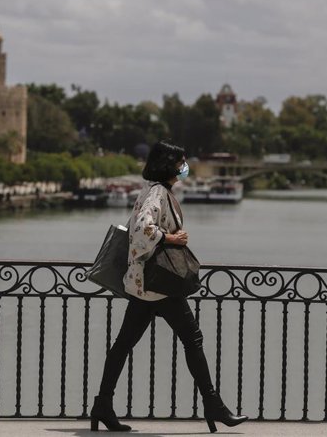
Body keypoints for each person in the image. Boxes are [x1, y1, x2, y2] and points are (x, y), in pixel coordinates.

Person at [90, 141, 248, 433]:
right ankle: (213, 405)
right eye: (181, 162)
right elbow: (141, 228)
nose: (184, 166)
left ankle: (102, 404)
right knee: (193, 339)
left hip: (144, 287)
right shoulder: (158, 193)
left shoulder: (153, 190)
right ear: (169, 165)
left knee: (123, 345)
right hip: (158, 285)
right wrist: (169, 238)